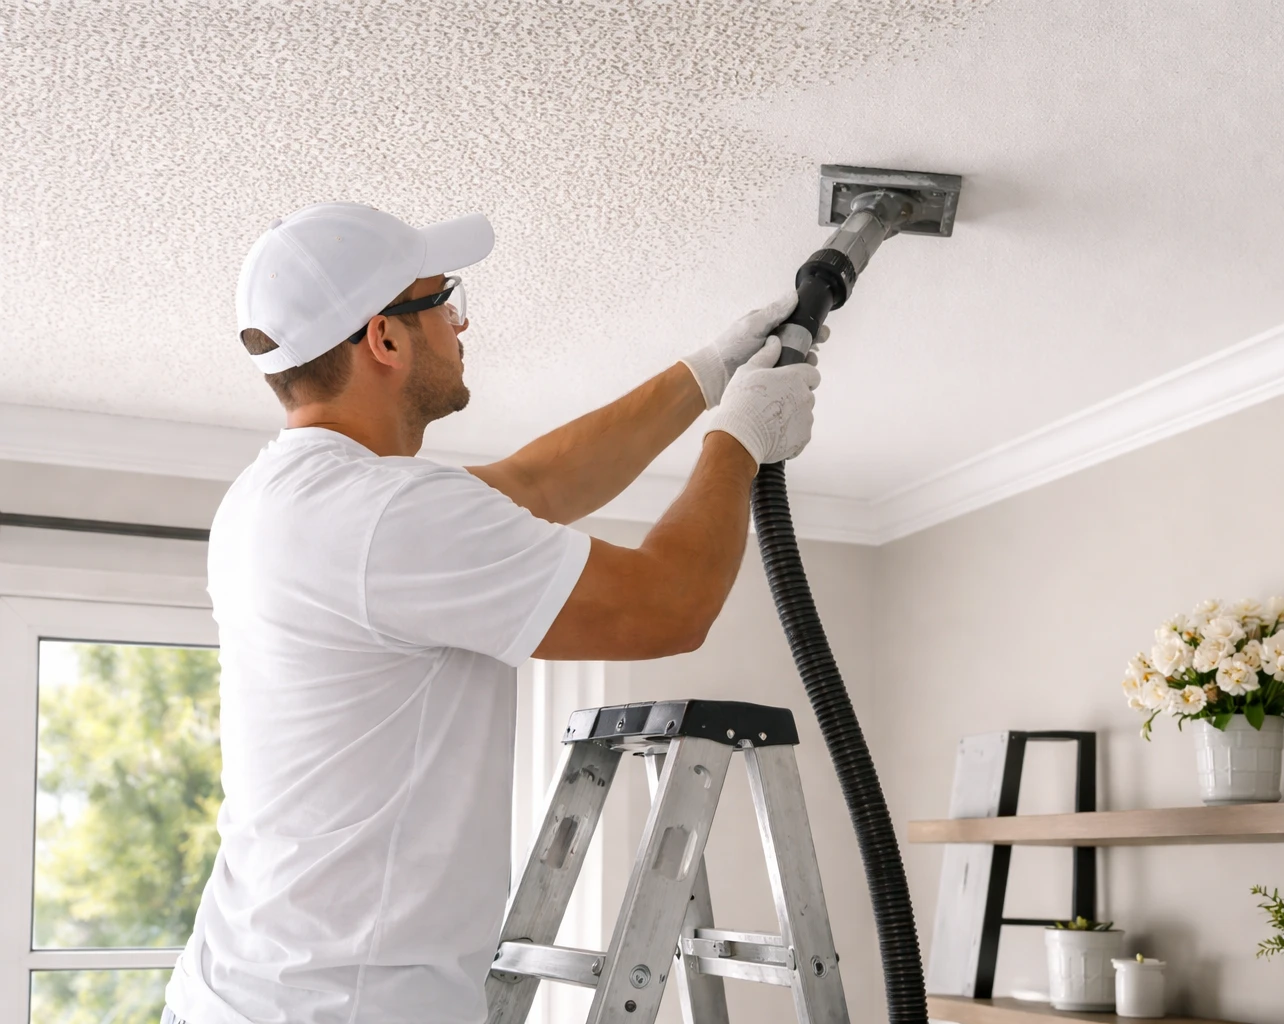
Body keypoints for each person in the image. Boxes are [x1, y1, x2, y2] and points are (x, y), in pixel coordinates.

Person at [163, 202, 821, 1024]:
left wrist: (706, 374)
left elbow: (537, 486)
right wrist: (739, 441)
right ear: (386, 340)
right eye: (444, 301)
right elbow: (671, 605)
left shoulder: (282, 496)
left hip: (248, 989)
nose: (460, 325)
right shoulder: (383, 518)